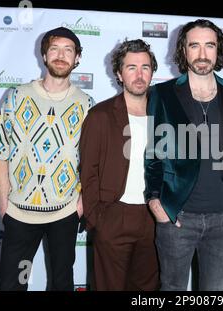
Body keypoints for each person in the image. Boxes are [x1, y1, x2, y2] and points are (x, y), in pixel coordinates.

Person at [144, 19, 223, 291]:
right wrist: (156, 202)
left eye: (210, 45)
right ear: (183, 50)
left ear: (219, 51)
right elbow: (154, 153)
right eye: (195, 45)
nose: (202, 54)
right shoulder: (162, 93)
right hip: (176, 216)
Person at [0, 27, 94, 290]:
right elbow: (1, 152)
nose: (61, 55)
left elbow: (92, 161)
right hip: (19, 213)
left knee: (62, 283)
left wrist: (80, 204)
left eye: (68, 50)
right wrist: (4, 204)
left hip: (65, 212)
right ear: (44, 55)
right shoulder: (17, 96)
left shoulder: (87, 104)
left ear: (77, 58)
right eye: (55, 49)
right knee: (12, 284)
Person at [80, 39, 159, 291]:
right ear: (119, 73)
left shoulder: (164, 115)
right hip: (113, 215)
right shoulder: (101, 115)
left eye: (145, 67)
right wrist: (97, 219)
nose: (139, 74)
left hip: (154, 217)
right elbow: (88, 171)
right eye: (131, 67)